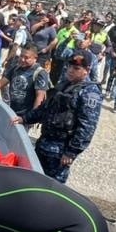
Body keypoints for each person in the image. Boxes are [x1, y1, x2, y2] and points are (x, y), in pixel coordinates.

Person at [17, 51, 103, 183]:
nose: (70, 70)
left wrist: (71, 152)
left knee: (53, 188)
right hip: (44, 143)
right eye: (69, 66)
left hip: (61, 151)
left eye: (76, 68)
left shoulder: (89, 93)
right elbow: (44, 109)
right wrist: (24, 119)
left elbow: (87, 127)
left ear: (87, 70)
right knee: (34, 181)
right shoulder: (64, 85)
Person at [0, 43, 49, 117]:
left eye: (27, 57)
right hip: (11, 112)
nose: (22, 59)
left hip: (25, 116)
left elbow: (39, 97)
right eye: (21, 56)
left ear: (35, 58)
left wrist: (31, 116)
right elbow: (1, 82)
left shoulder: (40, 73)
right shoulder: (16, 68)